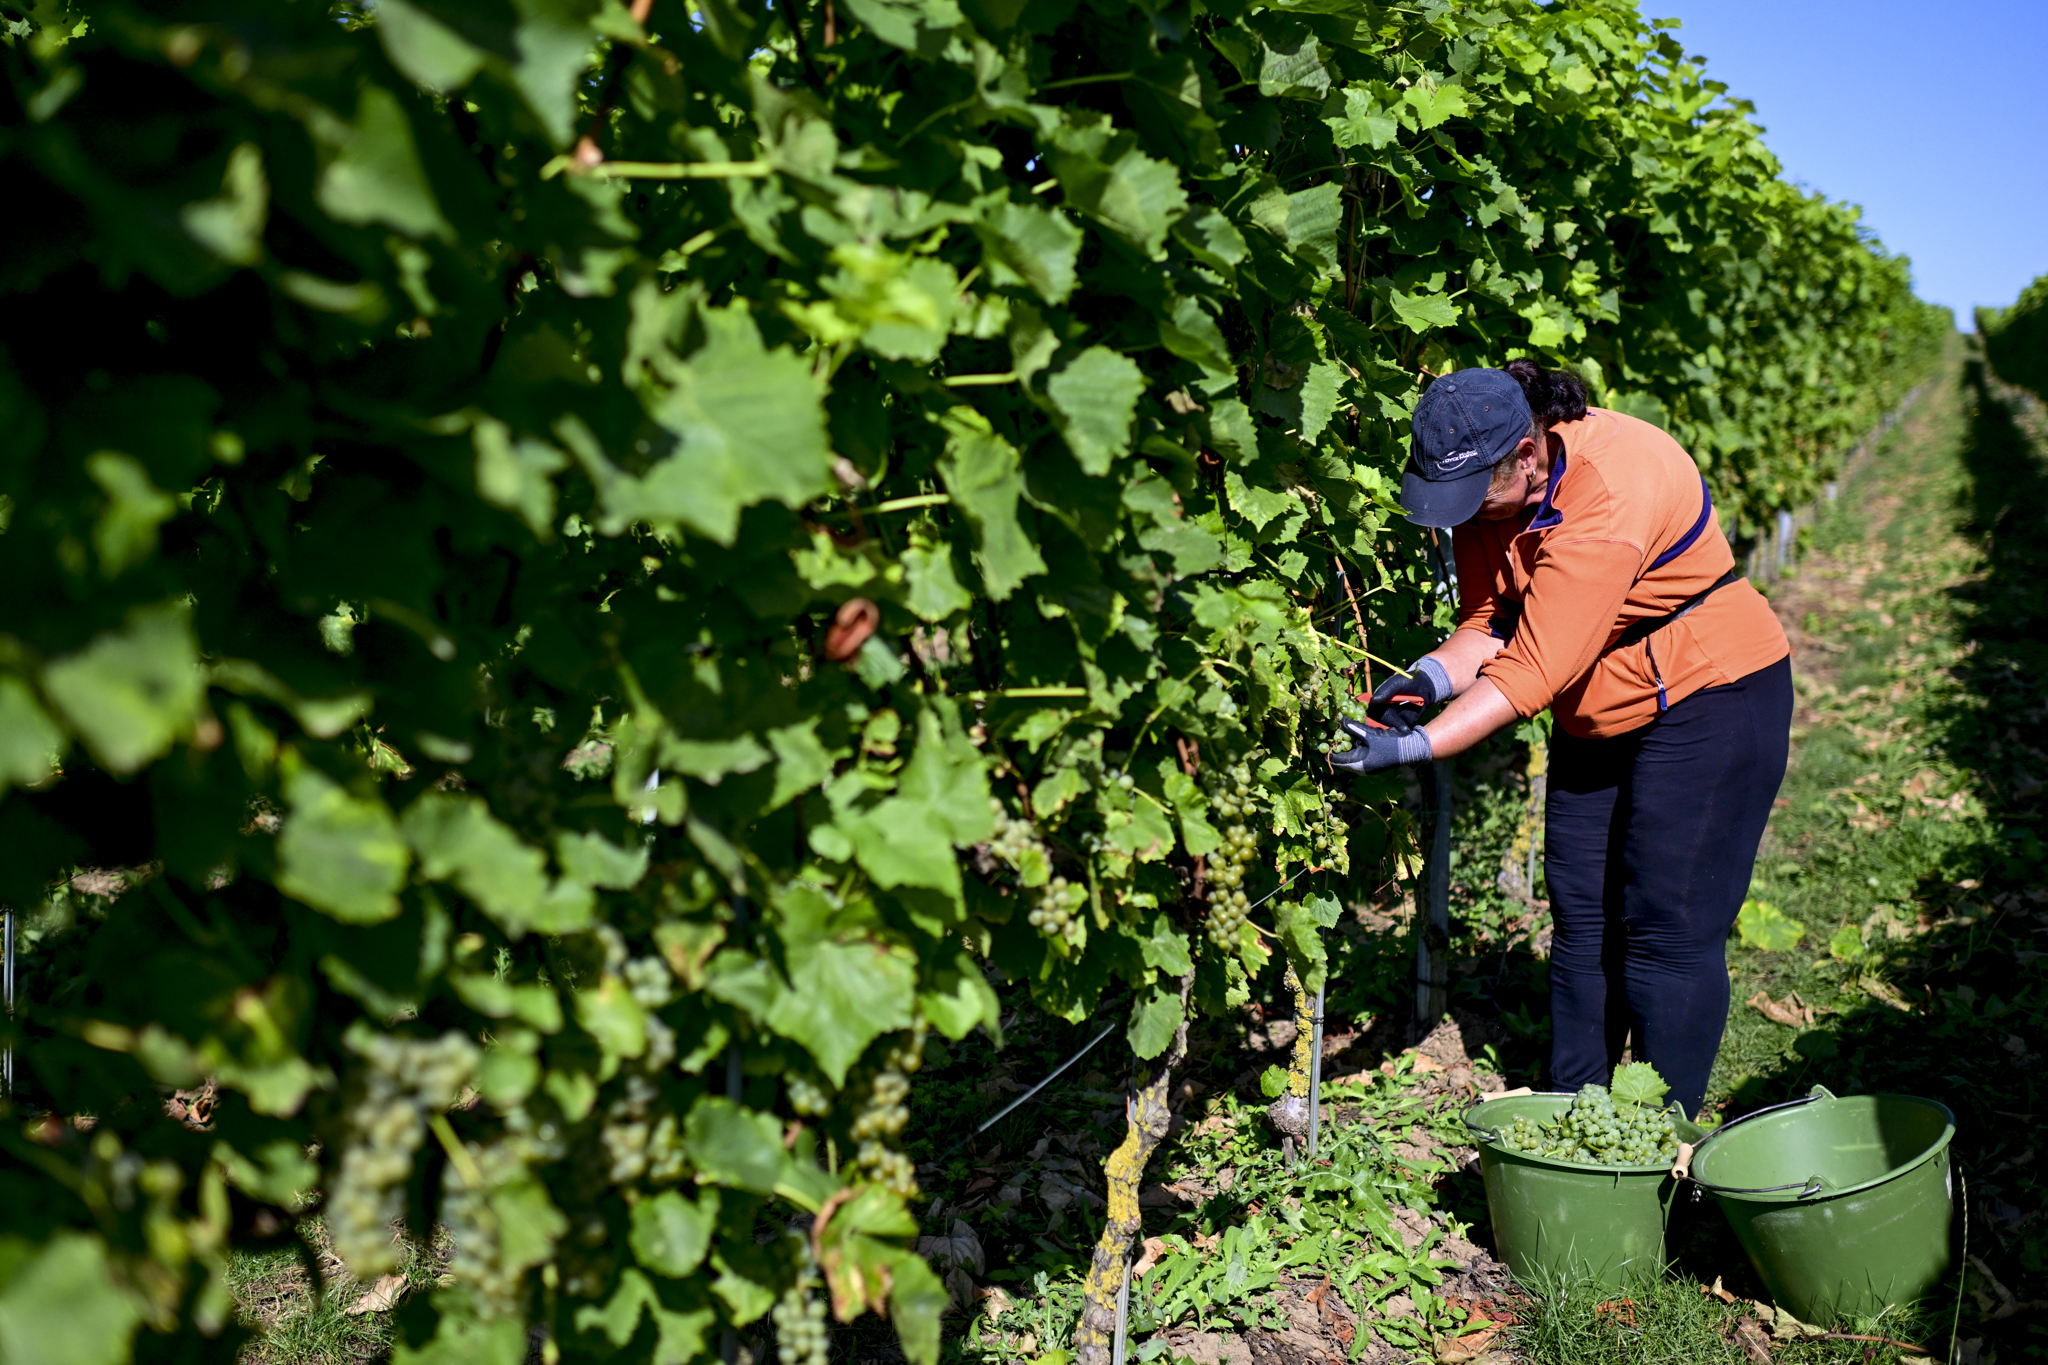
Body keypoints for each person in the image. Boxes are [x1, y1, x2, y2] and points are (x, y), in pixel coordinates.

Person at [1331, 360, 1792, 1120]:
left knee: (1665, 927)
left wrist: (1415, 748)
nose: (1465, 514)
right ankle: (1572, 1116)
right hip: (1601, 700)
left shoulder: (1609, 495)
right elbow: (1490, 625)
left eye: (1475, 493)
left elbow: (1530, 672)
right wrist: (1423, 683)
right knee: (1581, 916)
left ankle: (1660, 1135)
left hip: (1713, 691)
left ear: (1527, 452)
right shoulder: (1492, 500)